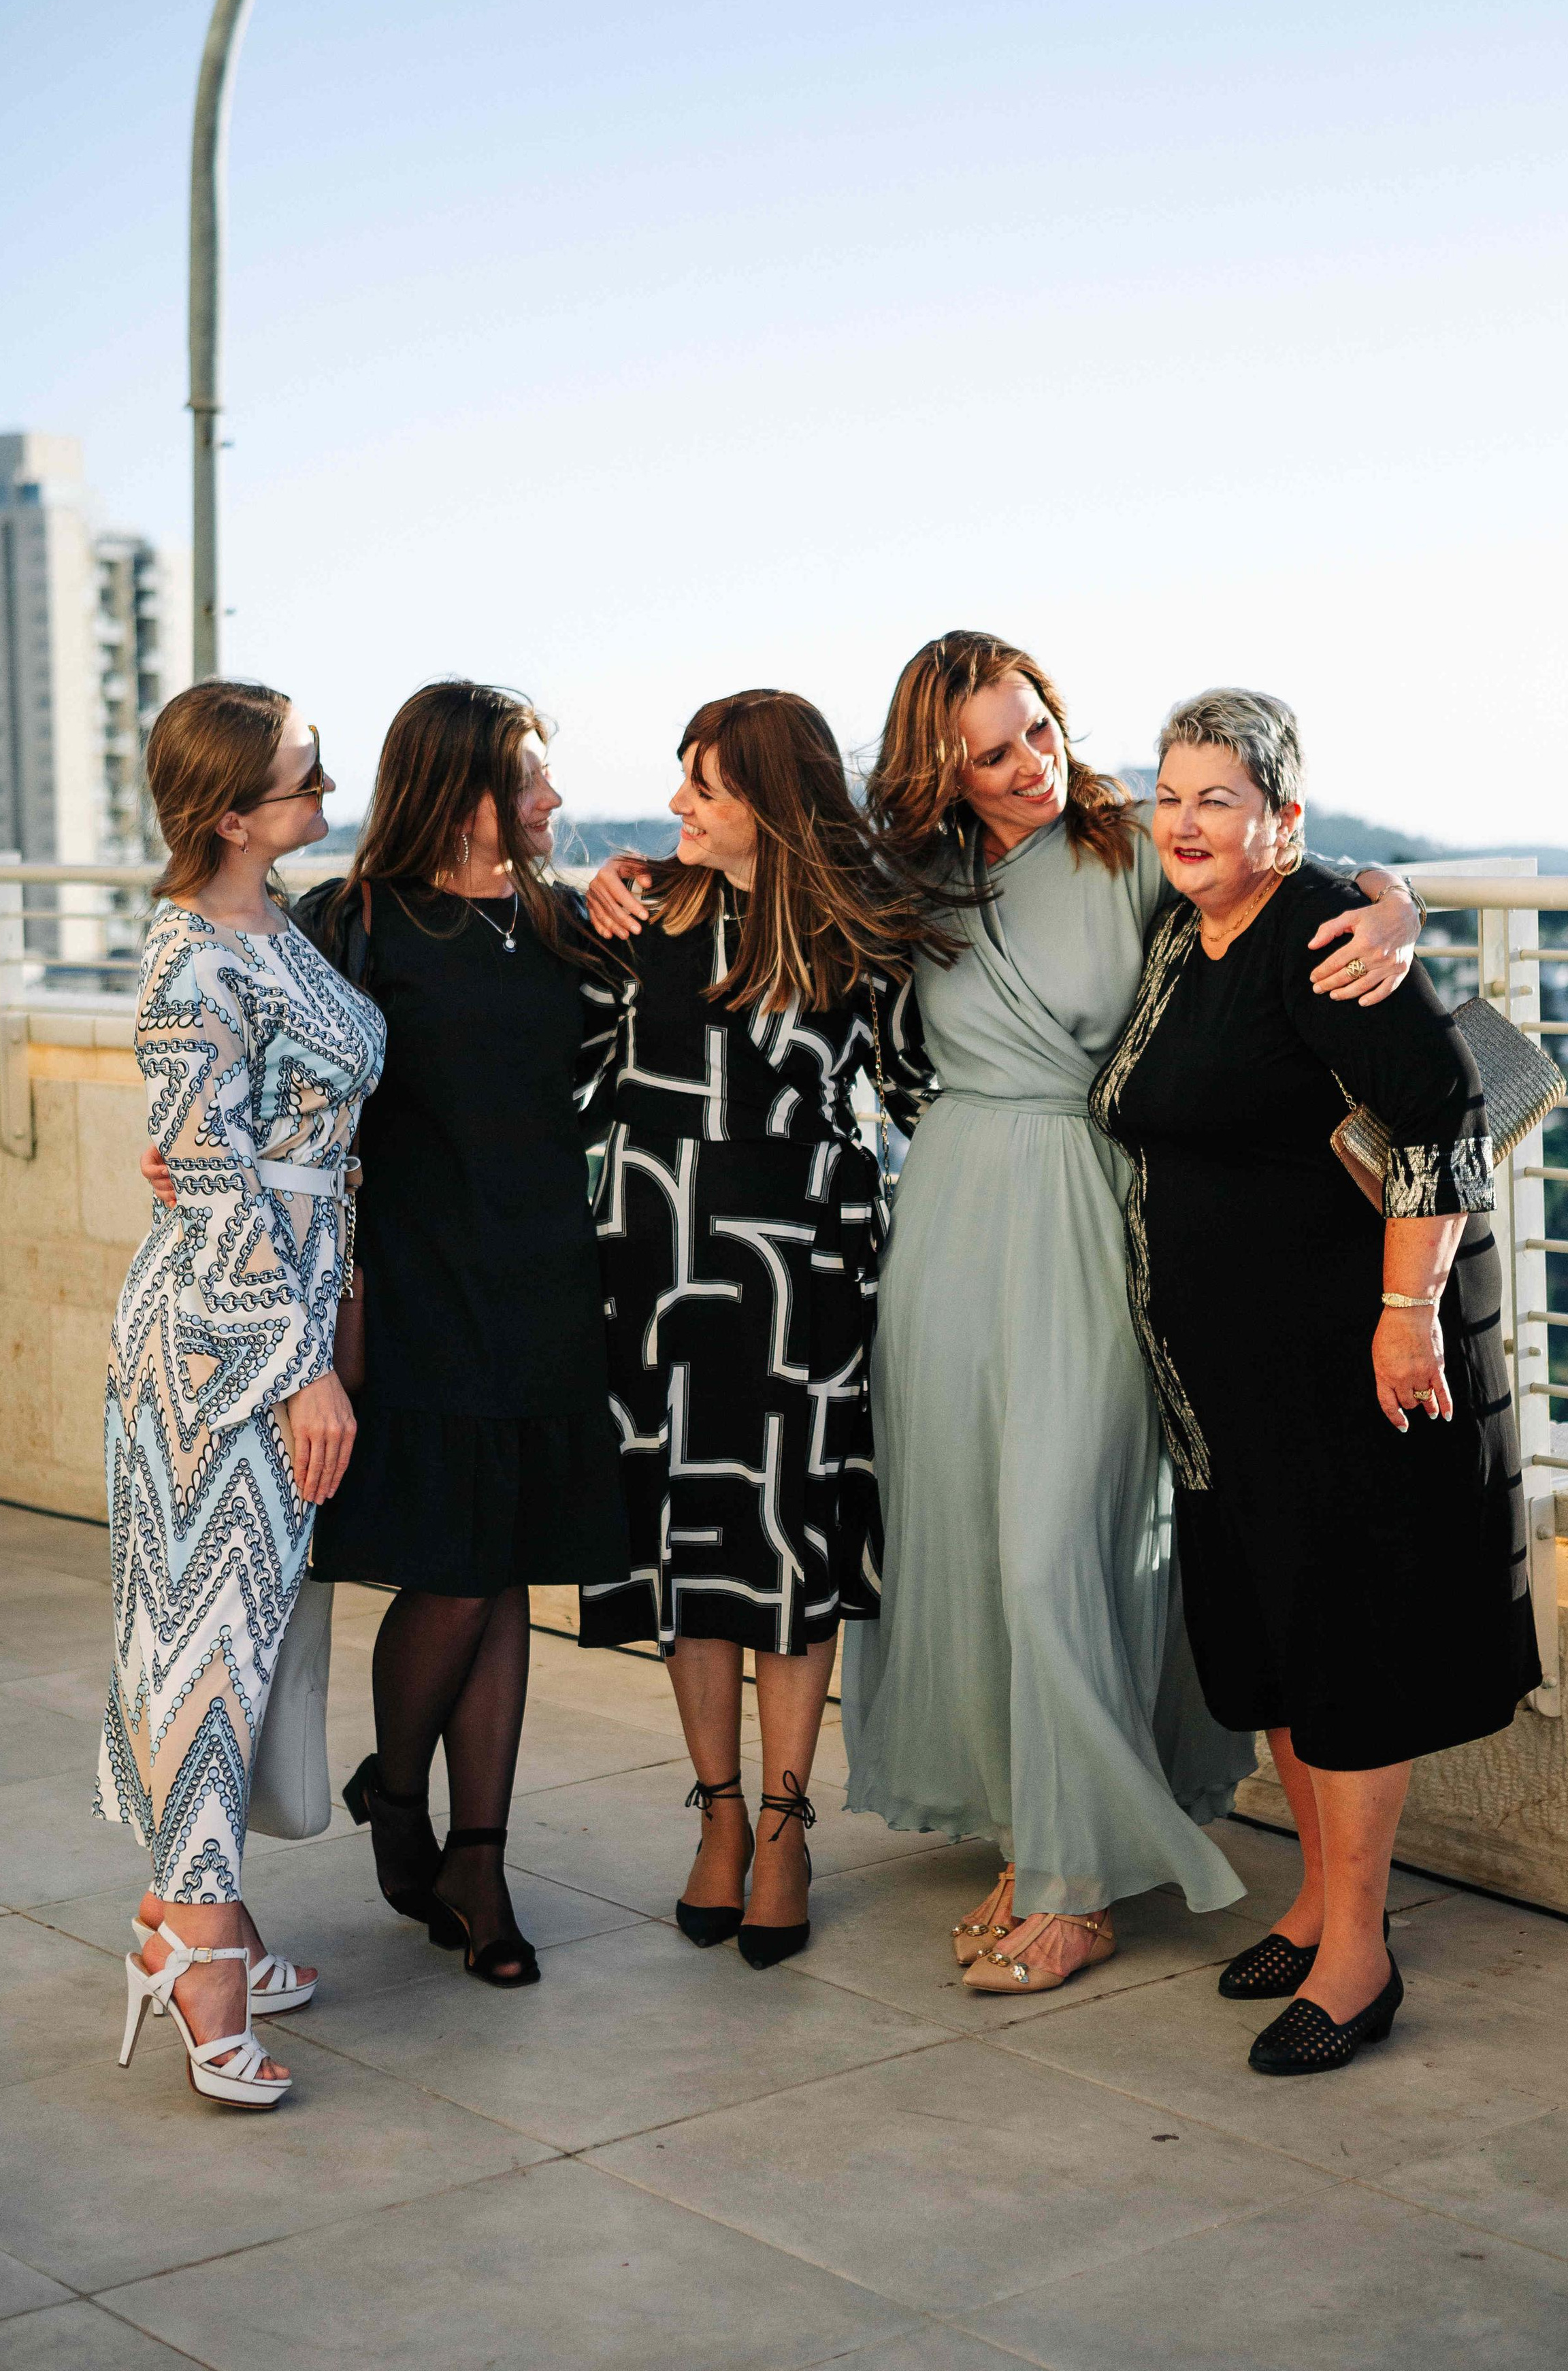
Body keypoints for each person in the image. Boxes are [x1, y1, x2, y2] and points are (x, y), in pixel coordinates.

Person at [838, 635, 1426, 1993]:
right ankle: (1043, 1836)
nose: (1032, 764)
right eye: (991, 751)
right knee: (983, 1547)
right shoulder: (911, 879)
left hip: (1097, 1214)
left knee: (1057, 1548)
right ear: (938, 766)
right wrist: (623, 883)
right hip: (949, 1222)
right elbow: (759, 882)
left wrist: (1391, 904)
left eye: (1038, 728)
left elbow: (1280, 878)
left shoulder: (1125, 844)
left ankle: (1071, 1888)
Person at [144, 681, 629, 1991]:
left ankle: (479, 1856)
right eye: (528, 778)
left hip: (544, 1283)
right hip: (412, 1285)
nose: (551, 801)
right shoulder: (346, 924)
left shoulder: (565, 920)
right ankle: (400, 1796)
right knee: (459, 1567)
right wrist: (185, 1155)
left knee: (510, 1562)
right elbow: (258, 1086)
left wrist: (632, 893)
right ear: (460, 786)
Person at [1091, 688, 1541, 2072]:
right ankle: (1311, 1899)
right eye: (1167, 794)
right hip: (1221, 1376)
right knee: (1277, 1639)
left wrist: (1404, 1315)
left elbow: (1441, 1121)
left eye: (1214, 798)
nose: (1180, 820)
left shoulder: (1322, 933)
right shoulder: (1185, 924)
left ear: (1280, 819)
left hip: (1333, 1365)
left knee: (1339, 1646)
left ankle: (1358, 1953)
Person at [581, 690, 941, 1965]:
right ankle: (718, 1819)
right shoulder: (641, 920)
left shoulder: (868, 932)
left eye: (707, 789)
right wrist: (596, 888)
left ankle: (787, 1825)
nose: (677, 805)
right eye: (681, 780)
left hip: (802, 1280)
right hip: (661, 1271)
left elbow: (926, 1094)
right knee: (691, 1551)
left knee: (789, 1551)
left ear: (774, 808)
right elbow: (560, 1075)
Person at [102, 683, 383, 2108]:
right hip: (220, 1347)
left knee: (242, 1639)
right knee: (206, 1642)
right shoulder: (183, 961)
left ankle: (190, 1910)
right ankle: (198, 1955)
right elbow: (207, 1181)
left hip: (286, 1296)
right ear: (228, 812)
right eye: (301, 771)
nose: (323, 782)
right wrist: (304, 1369)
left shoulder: (285, 923)